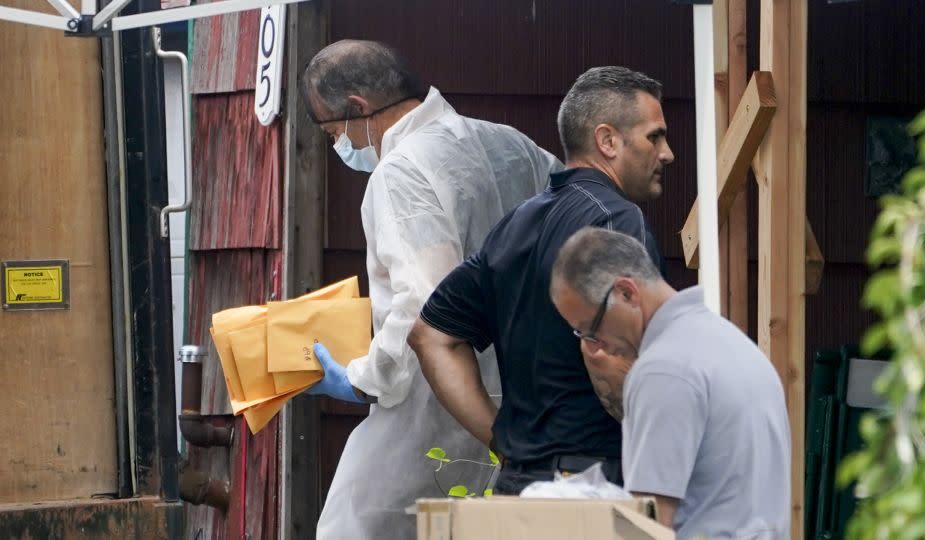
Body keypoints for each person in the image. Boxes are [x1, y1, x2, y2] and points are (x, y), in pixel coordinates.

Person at [299, 40, 562, 539]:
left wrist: (362, 377)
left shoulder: (399, 173)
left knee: (354, 523)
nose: (340, 147)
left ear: (359, 110)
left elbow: (425, 305)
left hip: (431, 401)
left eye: (335, 132)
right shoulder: (511, 143)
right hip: (525, 394)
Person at [407, 66, 673, 494]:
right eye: (654, 136)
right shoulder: (618, 221)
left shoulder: (515, 224)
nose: (667, 153)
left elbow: (430, 335)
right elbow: (633, 364)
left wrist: (501, 439)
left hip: (521, 486)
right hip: (597, 486)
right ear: (607, 141)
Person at [549, 227, 791, 539]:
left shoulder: (662, 371)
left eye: (591, 329)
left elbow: (649, 524)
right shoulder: (737, 345)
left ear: (627, 292)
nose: (596, 346)